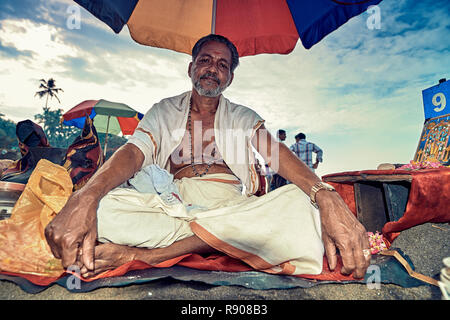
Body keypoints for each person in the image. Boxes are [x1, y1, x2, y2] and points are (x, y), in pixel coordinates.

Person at [45, 34, 370, 279]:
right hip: (173, 206)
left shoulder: (242, 116)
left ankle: (151, 255)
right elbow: (132, 153)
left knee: (300, 206)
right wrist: (87, 196)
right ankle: (220, 240)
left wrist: (325, 195)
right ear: (191, 67)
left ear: (229, 77)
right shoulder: (163, 111)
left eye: (222, 64)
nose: (212, 68)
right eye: (205, 60)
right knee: (105, 210)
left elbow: (276, 154)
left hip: (230, 204)